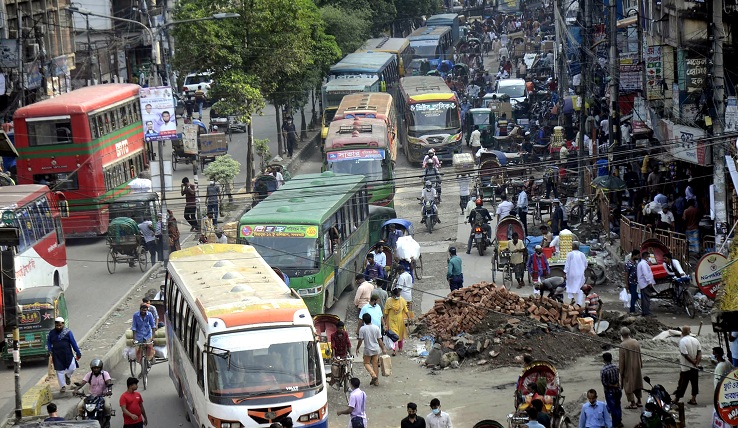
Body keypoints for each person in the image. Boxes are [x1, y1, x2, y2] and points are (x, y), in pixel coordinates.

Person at [47, 316, 81, 392]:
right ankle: (62, 386)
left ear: (63, 324)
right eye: (57, 325)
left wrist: (78, 352)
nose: (58, 327)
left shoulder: (68, 332)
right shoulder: (52, 333)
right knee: (59, 371)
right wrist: (49, 349)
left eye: (60, 325)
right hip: (57, 354)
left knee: (72, 367)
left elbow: (73, 343)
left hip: (67, 353)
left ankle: (68, 376)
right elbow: (49, 342)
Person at [355, 313, 386, 386]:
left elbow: (360, 340)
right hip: (376, 349)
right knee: (375, 364)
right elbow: (379, 340)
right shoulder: (376, 328)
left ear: (363, 321)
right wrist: (383, 349)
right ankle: (376, 381)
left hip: (368, 350)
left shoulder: (362, 329)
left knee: (366, 363)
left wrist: (357, 348)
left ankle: (373, 375)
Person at [674, 325, 701, 405]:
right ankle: (693, 399)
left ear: (682, 332)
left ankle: (676, 400)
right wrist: (696, 363)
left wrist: (693, 362)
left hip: (686, 368)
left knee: (682, 384)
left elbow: (685, 355)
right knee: (694, 383)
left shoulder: (682, 341)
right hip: (695, 367)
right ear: (690, 331)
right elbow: (699, 353)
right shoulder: (696, 340)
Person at [619, 327, 643, 409]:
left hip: (628, 368)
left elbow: (622, 360)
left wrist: (621, 371)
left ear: (621, 335)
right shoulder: (636, 342)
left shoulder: (623, 345)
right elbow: (639, 354)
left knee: (628, 385)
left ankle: (632, 403)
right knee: (637, 383)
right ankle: (639, 401)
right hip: (637, 366)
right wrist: (640, 364)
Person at [384, 287, 409, 355]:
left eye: (399, 295)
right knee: (393, 335)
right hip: (391, 320)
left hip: (400, 321)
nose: (398, 296)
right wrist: (385, 321)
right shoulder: (389, 301)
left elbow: (405, 309)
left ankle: (400, 347)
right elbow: (386, 311)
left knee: (400, 335)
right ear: (393, 295)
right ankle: (394, 350)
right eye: (397, 295)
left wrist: (408, 317)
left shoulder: (402, 300)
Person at [600, 352, 622, 428]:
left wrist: (612, 385)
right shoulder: (616, 367)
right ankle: (619, 422)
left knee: (612, 408)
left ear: (604, 360)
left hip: (609, 392)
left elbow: (604, 383)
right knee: (618, 406)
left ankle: (615, 424)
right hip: (618, 390)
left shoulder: (603, 370)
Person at [637, 251, 655, 317]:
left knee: (645, 298)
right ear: (646, 257)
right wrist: (649, 282)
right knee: (646, 299)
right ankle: (646, 313)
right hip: (645, 283)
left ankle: (645, 312)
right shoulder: (643, 264)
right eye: (648, 257)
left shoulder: (642, 263)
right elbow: (645, 273)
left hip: (643, 283)